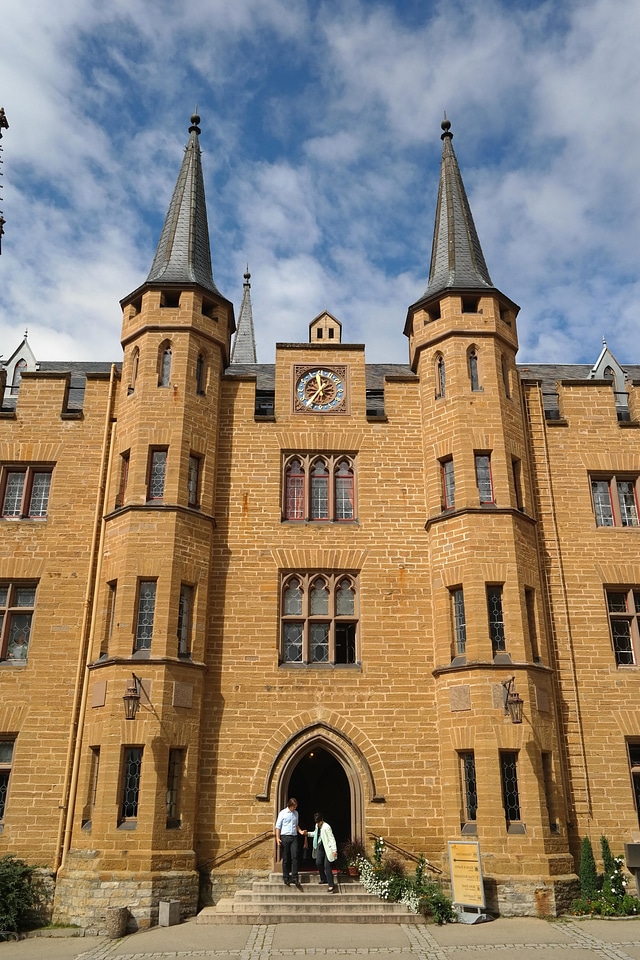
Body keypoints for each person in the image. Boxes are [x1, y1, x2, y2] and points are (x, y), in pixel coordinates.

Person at [275, 798, 307, 886]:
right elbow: (278, 827)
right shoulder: (282, 813)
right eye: (293, 807)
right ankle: (286, 877)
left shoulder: (296, 813)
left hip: (294, 837)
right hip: (285, 836)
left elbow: (296, 825)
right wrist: (277, 838)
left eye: (295, 807)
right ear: (290, 806)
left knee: (295, 857)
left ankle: (295, 877)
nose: (294, 809)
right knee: (285, 858)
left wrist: (300, 831)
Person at [310, 811, 338, 893]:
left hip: (328, 848)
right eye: (317, 822)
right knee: (318, 862)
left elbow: (331, 838)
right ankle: (323, 878)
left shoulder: (327, 827)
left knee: (327, 865)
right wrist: (307, 834)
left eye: (319, 822)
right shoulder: (317, 826)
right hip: (321, 847)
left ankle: (331, 885)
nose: (318, 823)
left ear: (322, 820)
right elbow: (315, 835)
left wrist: (334, 850)